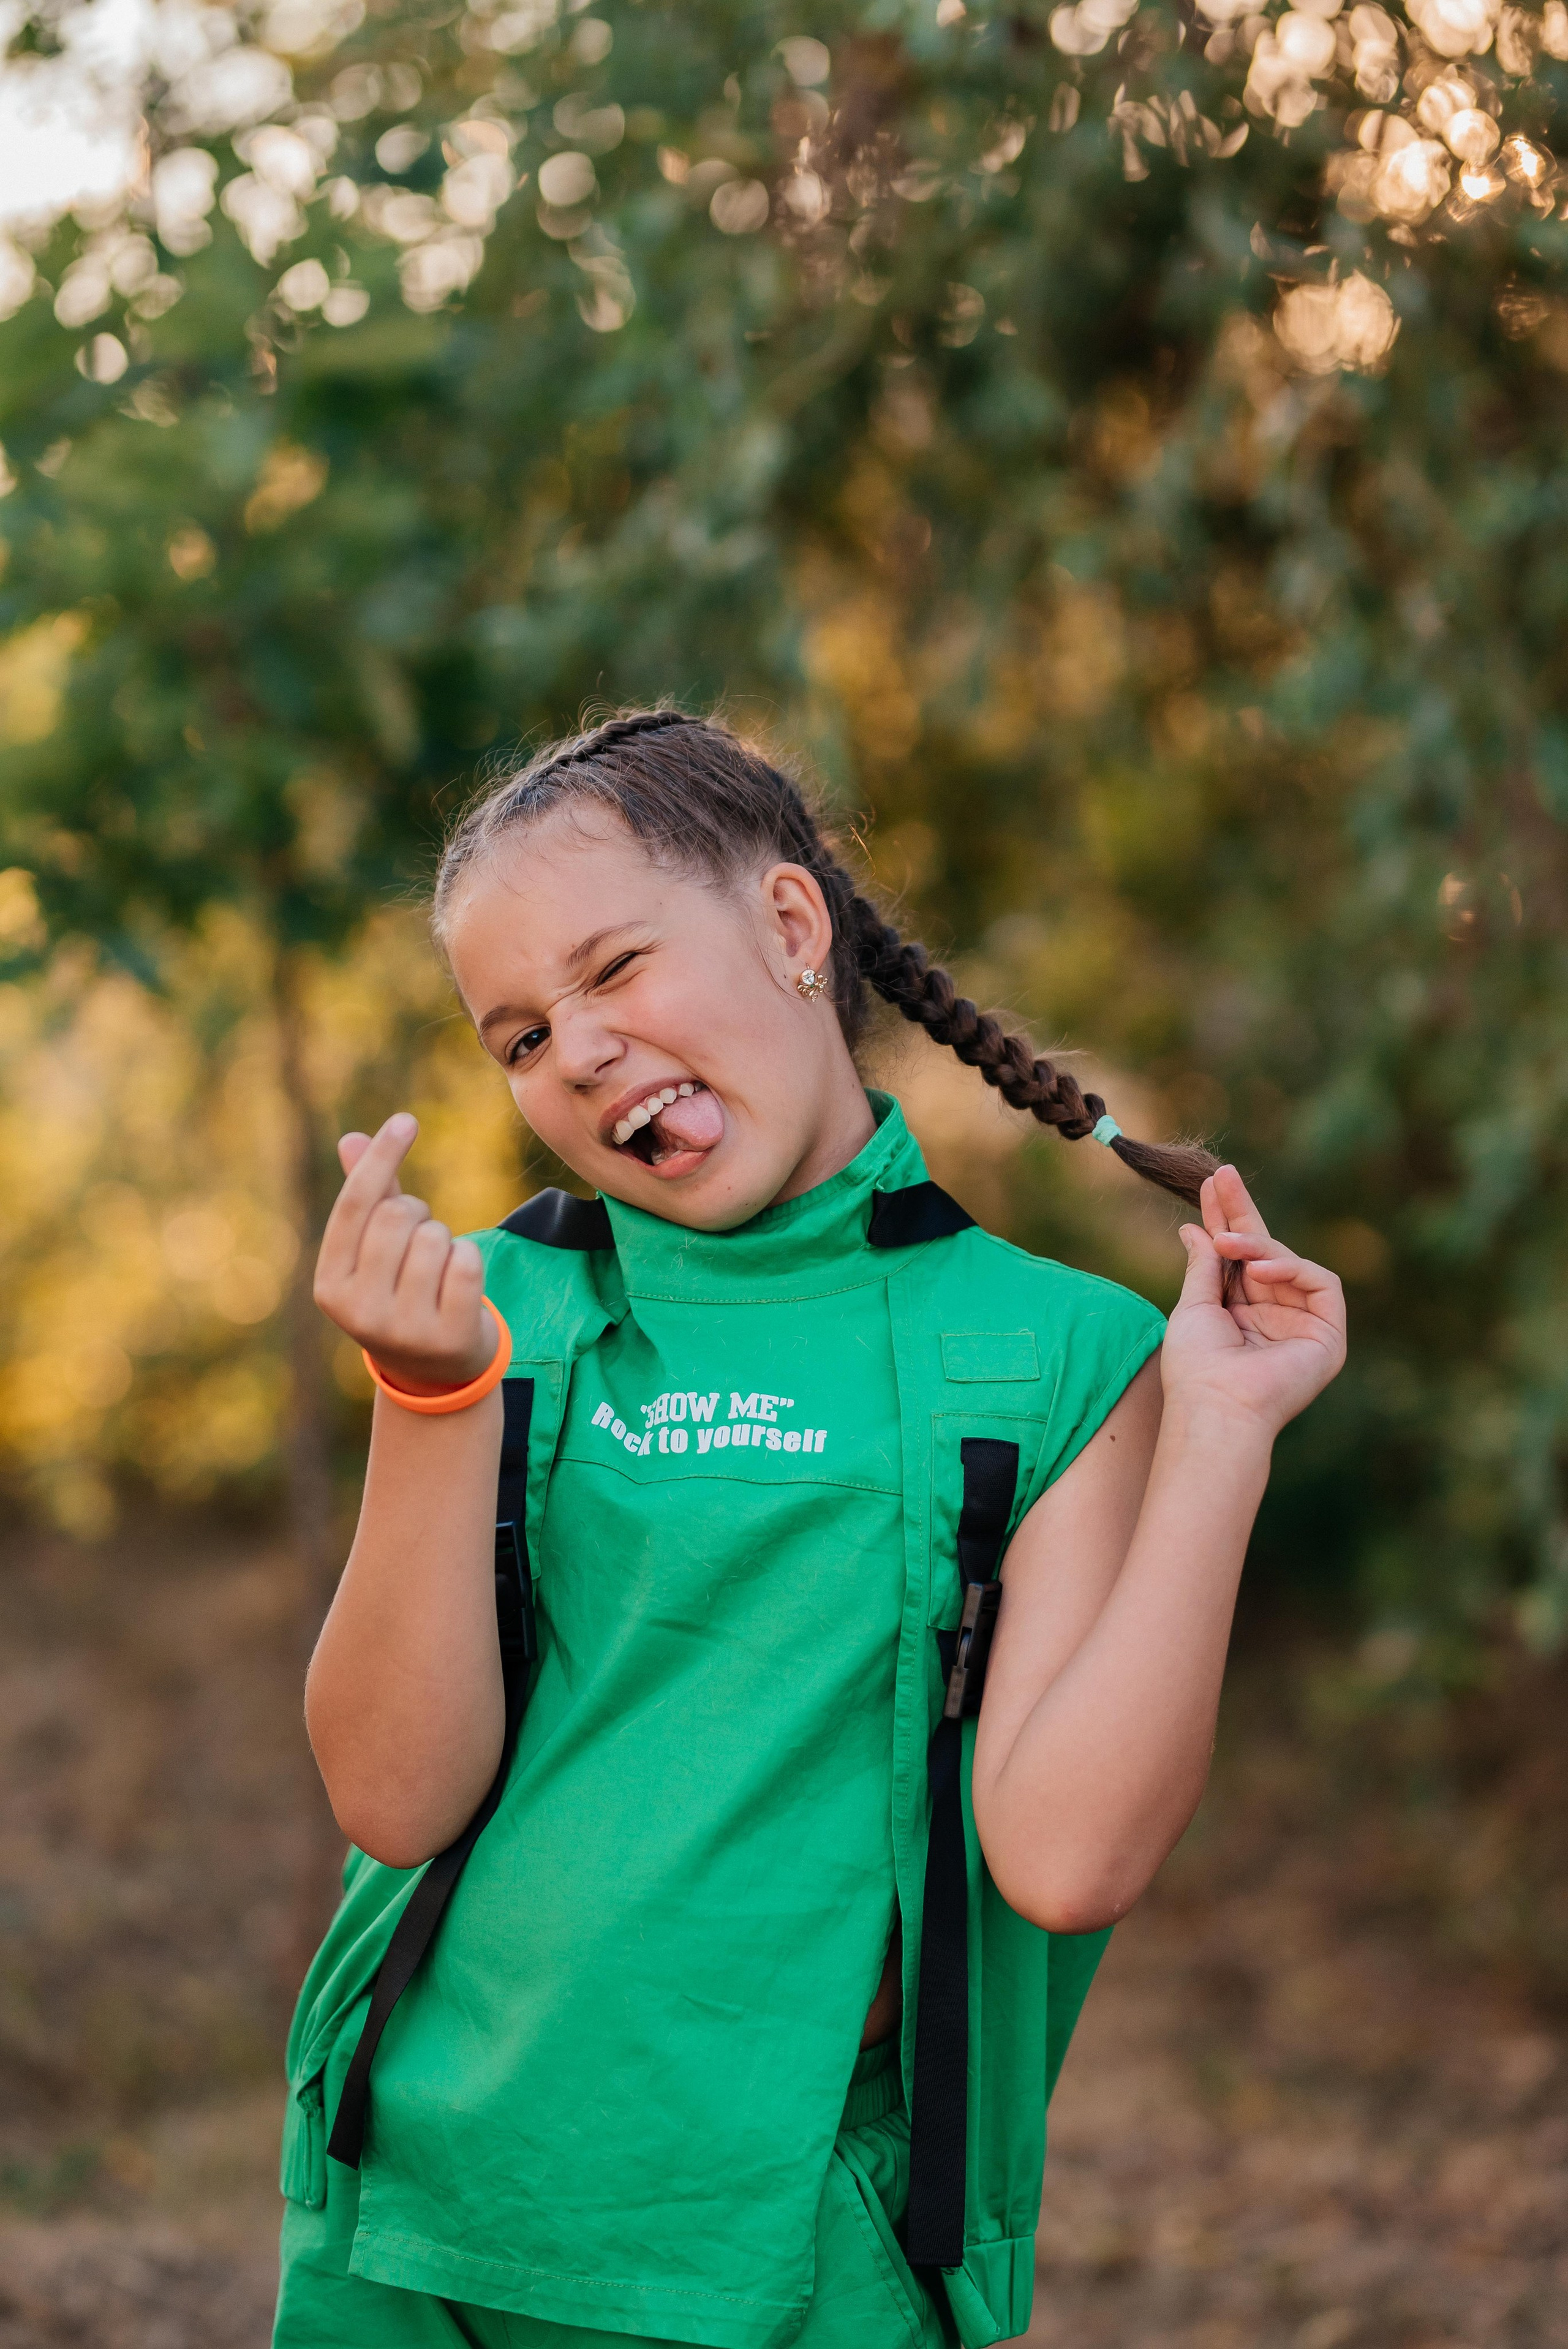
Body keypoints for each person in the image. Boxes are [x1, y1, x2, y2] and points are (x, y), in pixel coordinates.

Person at [273, 709, 1346, 2349]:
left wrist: (1221, 1433)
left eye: (616, 967)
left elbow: (1065, 1858)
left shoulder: (1056, 1353)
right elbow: (389, 1789)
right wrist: (428, 1401)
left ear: (790, 927)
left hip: (795, 2265)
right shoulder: (501, 1309)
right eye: (517, 1034)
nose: (575, 1047)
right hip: (414, 2229)